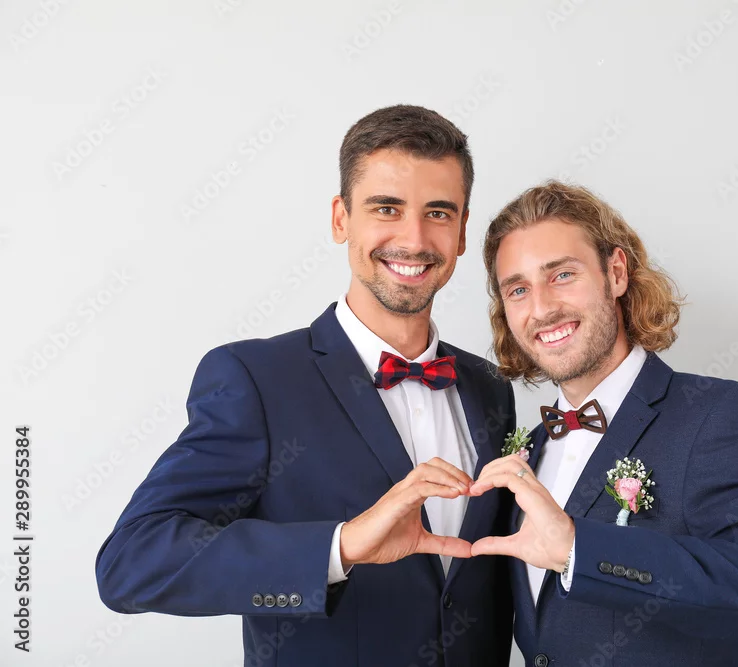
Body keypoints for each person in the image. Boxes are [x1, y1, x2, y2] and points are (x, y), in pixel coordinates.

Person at [95, 105, 515, 667]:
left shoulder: (490, 387)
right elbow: (131, 562)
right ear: (341, 219)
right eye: (386, 208)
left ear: (461, 231)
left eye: (437, 212)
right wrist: (340, 547)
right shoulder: (255, 379)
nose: (414, 239)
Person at [468, 180, 738, 666]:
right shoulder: (526, 449)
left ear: (616, 272)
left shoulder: (718, 414)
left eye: (563, 275)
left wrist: (578, 548)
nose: (542, 308)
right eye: (518, 290)